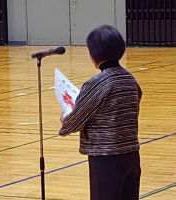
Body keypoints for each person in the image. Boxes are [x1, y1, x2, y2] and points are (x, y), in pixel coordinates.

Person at [59, 25, 142, 200]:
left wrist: (65, 118)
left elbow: (73, 122)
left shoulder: (97, 83)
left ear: (94, 54)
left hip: (106, 159)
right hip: (132, 156)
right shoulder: (130, 79)